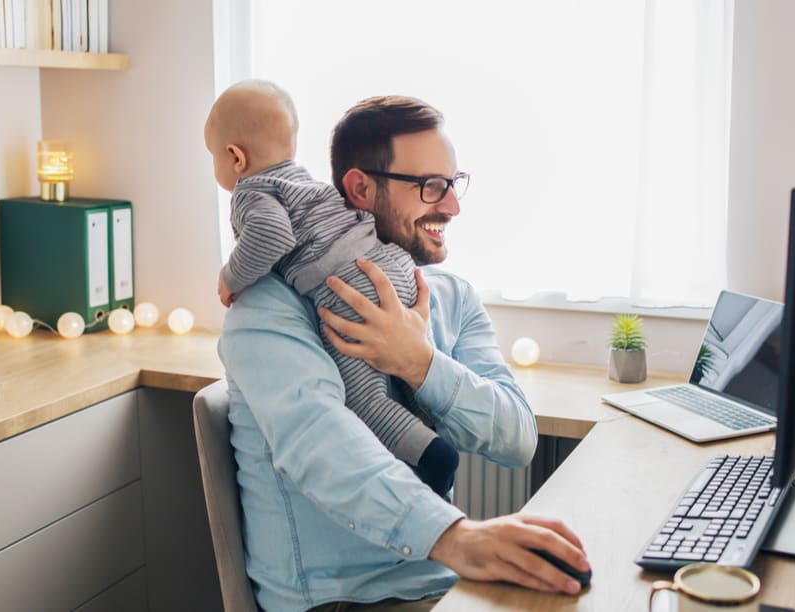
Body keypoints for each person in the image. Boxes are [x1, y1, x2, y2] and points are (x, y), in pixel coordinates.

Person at [218, 95, 590, 612]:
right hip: (344, 600)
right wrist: (457, 538)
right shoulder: (268, 307)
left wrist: (420, 363)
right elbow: (320, 444)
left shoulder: (451, 295)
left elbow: (519, 439)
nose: (453, 206)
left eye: (454, 183)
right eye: (430, 186)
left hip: (443, 585)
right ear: (360, 188)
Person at [207, 80, 457, 494]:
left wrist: (230, 276)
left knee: (363, 397)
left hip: (352, 285)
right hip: (392, 266)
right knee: (403, 374)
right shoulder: (305, 182)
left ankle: (433, 457)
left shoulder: (253, 192)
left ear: (234, 156)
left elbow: (271, 237)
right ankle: (428, 432)